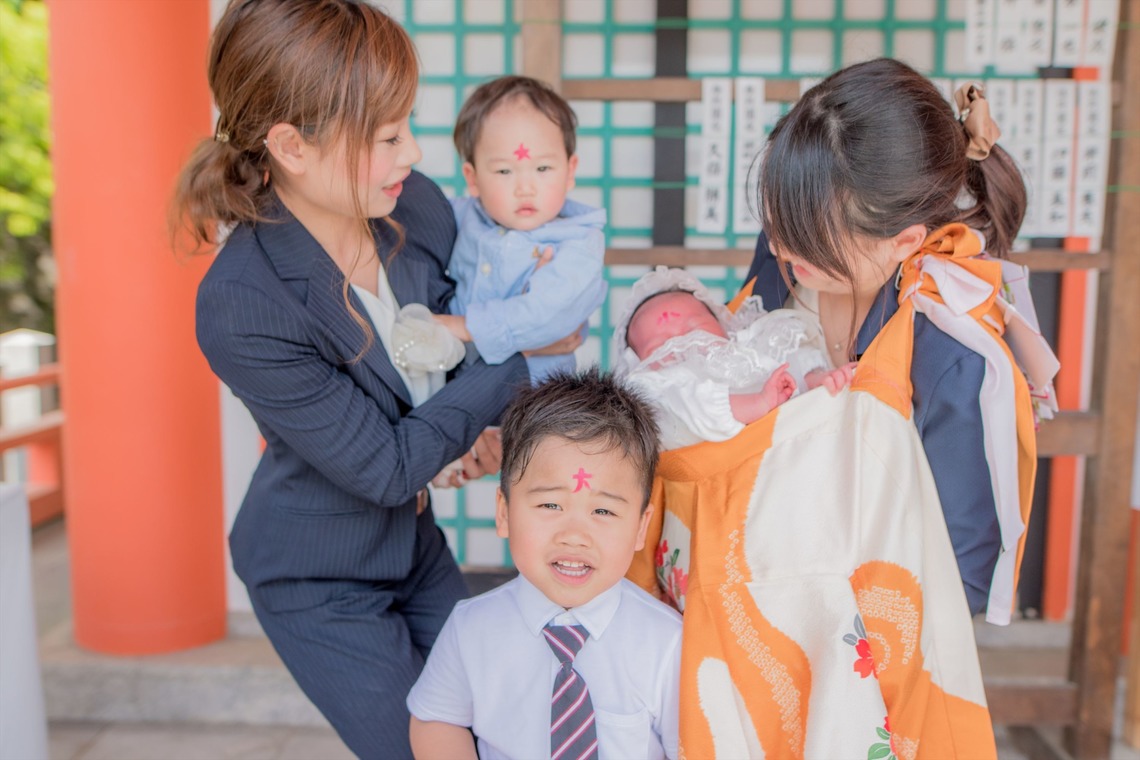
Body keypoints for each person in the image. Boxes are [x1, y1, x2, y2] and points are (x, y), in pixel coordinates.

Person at [169, 2, 554, 756]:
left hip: (411, 540)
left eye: (407, 126)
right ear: (291, 145)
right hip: (318, 578)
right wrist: (518, 353)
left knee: (508, 723)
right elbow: (385, 466)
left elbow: (456, 354)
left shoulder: (416, 207)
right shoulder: (243, 303)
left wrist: (475, 423)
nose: (413, 152)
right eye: (386, 137)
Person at [743, 57, 1034, 622]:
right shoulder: (790, 249)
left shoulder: (951, 354)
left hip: (867, 625)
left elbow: (967, 575)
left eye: (807, 238)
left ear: (904, 242)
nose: (778, 248)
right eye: (777, 221)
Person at [407, 368, 682, 760]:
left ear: (640, 527)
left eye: (603, 511)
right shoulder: (471, 628)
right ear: (504, 512)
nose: (574, 535)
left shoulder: (667, 642)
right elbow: (437, 718)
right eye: (551, 505)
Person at [432, 75, 607, 384]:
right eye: (504, 171)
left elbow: (545, 314)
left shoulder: (579, 245)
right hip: (457, 387)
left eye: (543, 168)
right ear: (473, 178)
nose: (525, 188)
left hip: (537, 395)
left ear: (570, 171)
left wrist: (464, 327)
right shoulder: (461, 216)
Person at [614, 266, 854, 450]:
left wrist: (815, 379)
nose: (683, 343)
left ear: (723, 327)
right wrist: (757, 403)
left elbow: (788, 363)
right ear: (638, 364)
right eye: (660, 346)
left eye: (695, 327)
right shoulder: (655, 388)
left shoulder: (748, 349)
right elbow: (690, 406)